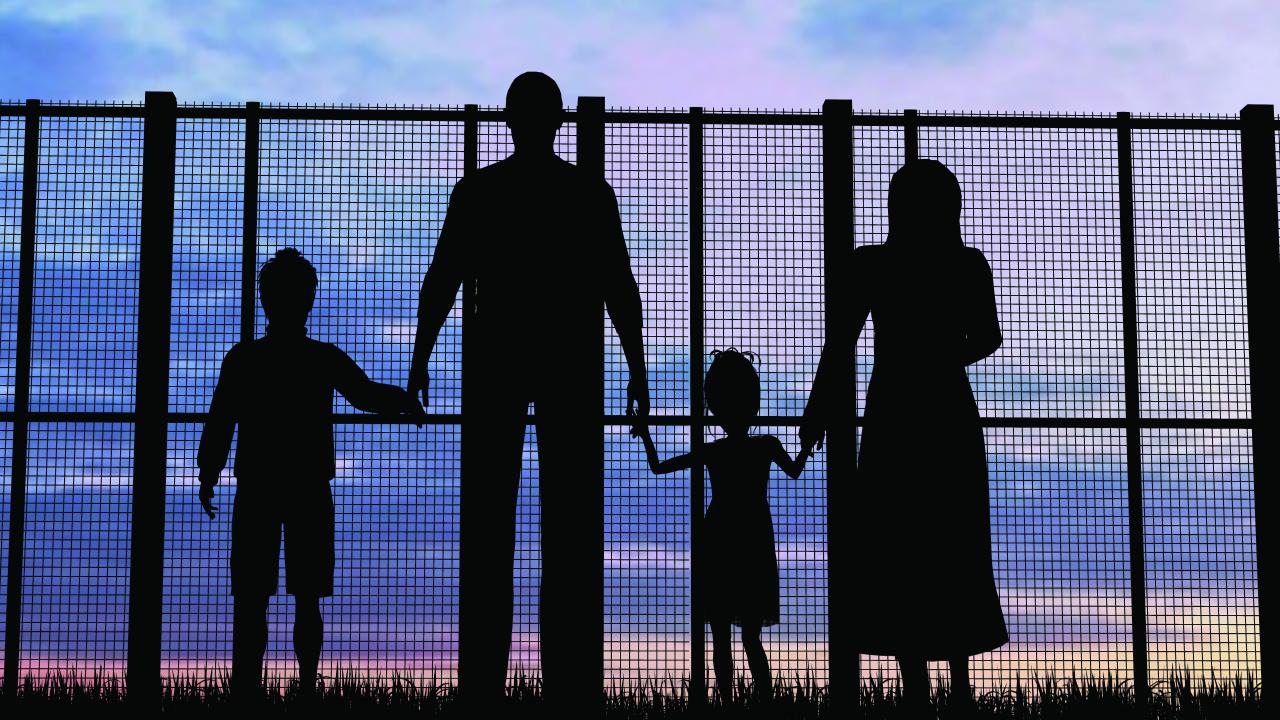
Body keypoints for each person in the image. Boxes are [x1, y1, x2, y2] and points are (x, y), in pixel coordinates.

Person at [408, 71, 649, 711]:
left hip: (497, 362)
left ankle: (483, 686)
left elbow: (444, 276)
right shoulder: (585, 193)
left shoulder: (482, 190)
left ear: (510, 120)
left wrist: (421, 355)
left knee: (489, 525)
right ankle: (570, 685)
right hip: (569, 362)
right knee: (569, 529)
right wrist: (636, 365)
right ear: (559, 121)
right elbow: (618, 285)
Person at [800, 159, 1007, 714]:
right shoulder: (965, 264)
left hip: (894, 410)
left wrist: (818, 408)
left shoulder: (873, 265)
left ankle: (916, 681)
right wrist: (943, 355)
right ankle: (957, 684)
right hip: (945, 410)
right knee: (949, 538)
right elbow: (988, 337)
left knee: (902, 538)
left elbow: (839, 344)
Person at [197, 248, 426, 700]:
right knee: (307, 594)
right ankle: (305, 689)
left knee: (251, 596)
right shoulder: (320, 358)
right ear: (309, 299)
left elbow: (221, 417)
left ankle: (247, 689)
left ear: (266, 299)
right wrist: (403, 398)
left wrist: (209, 472)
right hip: (308, 484)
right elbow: (363, 393)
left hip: (259, 483)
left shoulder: (245, 359)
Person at [633, 349, 808, 705]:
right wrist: (808, 443)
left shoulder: (715, 451)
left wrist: (646, 434)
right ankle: (764, 703)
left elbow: (657, 467)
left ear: (713, 404)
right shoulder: (767, 446)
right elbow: (795, 470)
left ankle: (727, 703)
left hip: (720, 538)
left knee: (721, 638)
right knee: (749, 637)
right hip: (753, 539)